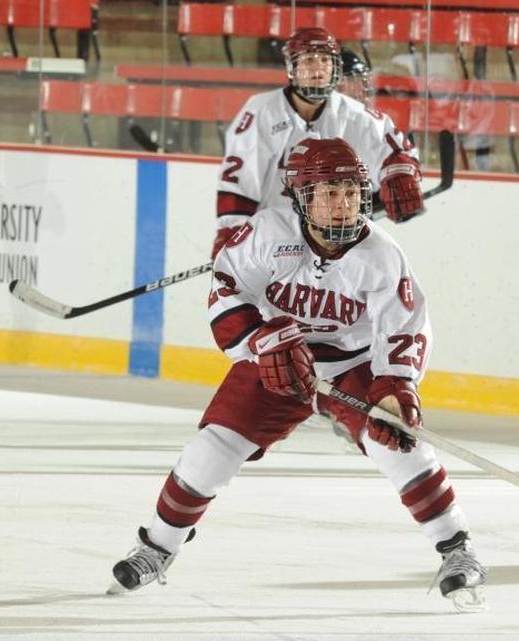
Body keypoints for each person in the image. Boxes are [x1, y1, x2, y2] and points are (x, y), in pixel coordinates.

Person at [109, 137, 487, 612]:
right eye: (330, 193)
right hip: (275, 359)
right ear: (303, 197)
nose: (343, 204)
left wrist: (394, 390)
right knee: (209, 452)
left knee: (400, 448)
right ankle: (156, 548)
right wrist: (260, 341)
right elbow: (226, 287)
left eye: (351, 192)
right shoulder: (268, 232)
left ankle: (458, 550)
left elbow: (405, 329)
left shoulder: (382, 255)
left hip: (353, 366)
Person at [212, 27, 424, 260]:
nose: (318, 68)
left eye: (325, 60)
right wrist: (232, 232)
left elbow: (397, 150)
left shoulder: (355, 114)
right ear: (292, 67)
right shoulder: (261, 111)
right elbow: (239, 184)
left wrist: (400, 175)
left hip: (336, 239)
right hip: (275, 238)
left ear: (335, 66)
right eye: (309, 60)